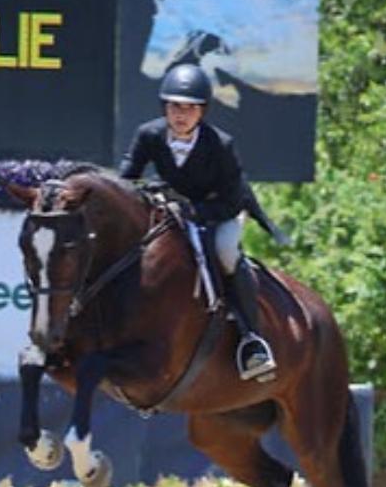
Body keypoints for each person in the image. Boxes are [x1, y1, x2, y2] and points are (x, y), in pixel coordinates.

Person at [118, 63, 289, 381]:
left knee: (226, 252)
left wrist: (194, 212)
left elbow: (233, 199)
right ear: (164, 107)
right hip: (172, 211)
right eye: (174, 106)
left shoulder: (220, 144)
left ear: (202, 111)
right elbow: (126, 180)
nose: (180, 115)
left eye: (189, 108)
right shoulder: (149, 134)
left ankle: (252, 339)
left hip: (219, 211)